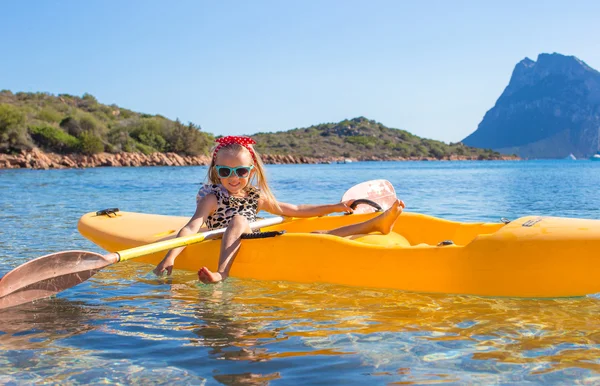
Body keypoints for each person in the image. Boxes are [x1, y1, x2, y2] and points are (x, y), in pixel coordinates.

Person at [153, 136, 405, 283]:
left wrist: (335, 206)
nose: (233, 177)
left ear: (251, 171)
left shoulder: (255, 195)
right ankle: (222, 273)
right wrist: (170, 257)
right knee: (239, 219)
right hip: (225, 238)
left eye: (240, 171)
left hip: (254, 238)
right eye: (225, 171)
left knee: (316, 237)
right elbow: (191, 226)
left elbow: (293, 209)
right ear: (216, 172)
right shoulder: (212, 197)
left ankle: (374, 224)